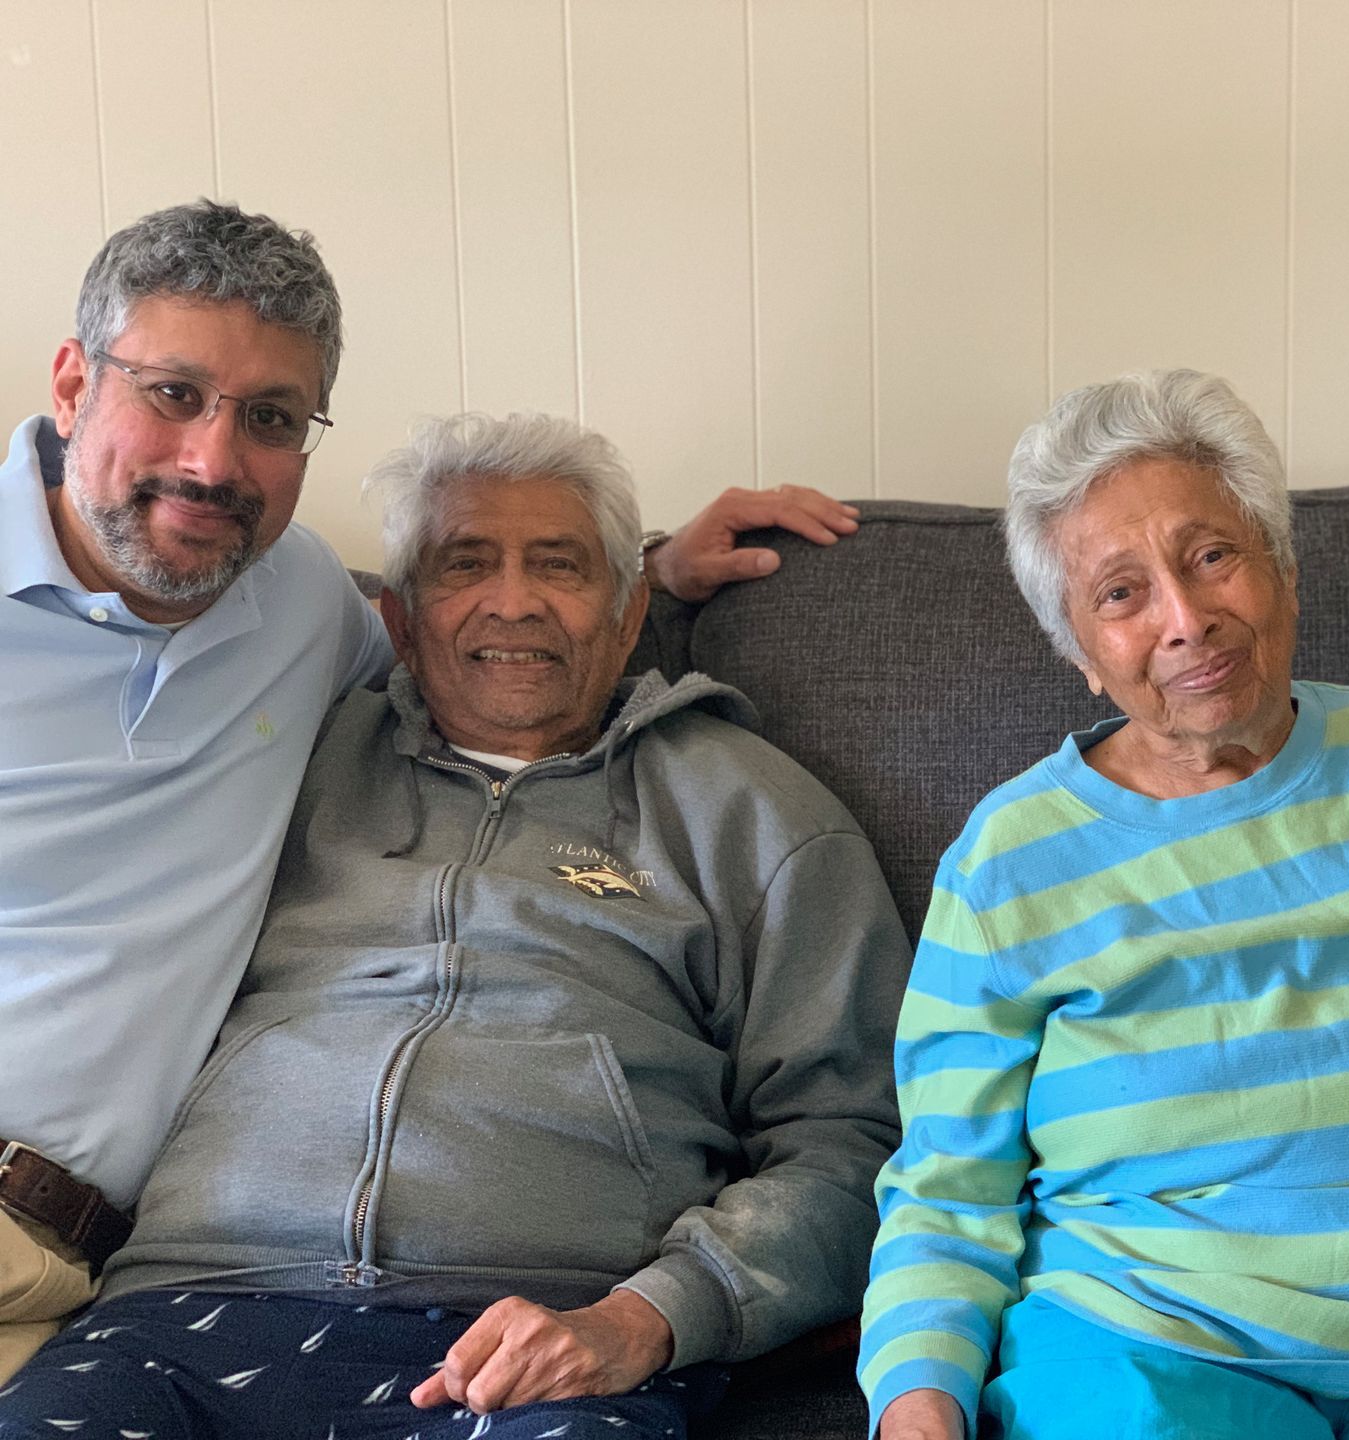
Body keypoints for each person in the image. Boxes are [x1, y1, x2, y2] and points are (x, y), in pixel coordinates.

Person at [0, 198, 862, 1381]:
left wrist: (655, 570)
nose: (212, 459)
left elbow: (853, 1136)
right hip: (183, 1296)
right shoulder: (337, 730)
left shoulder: (291, 601)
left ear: (624, 615)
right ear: (72, 383)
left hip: (455, 1319)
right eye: (173, 392)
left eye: (269, 417)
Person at [859, 369, 1349, 1440]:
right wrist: (917, 1401)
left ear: (1285, 571)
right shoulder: (1008, 862)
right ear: (1080, 653)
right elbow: (949, 1189)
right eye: (1121, 594)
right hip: (1146, 1347)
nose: (1186, 620)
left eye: (1212, 556)